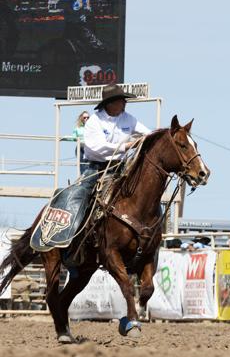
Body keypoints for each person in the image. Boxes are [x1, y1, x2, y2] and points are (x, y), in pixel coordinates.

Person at [30, 84, 149, 251]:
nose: (125, 103)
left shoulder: (128, 118)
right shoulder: (94, 121)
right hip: (97, 168)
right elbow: (97, 147)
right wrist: (128, 146)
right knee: (79, 195)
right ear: (111, 103)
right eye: (122, 100)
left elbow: (147, 133)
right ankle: (67, 238)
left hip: (121, 167)